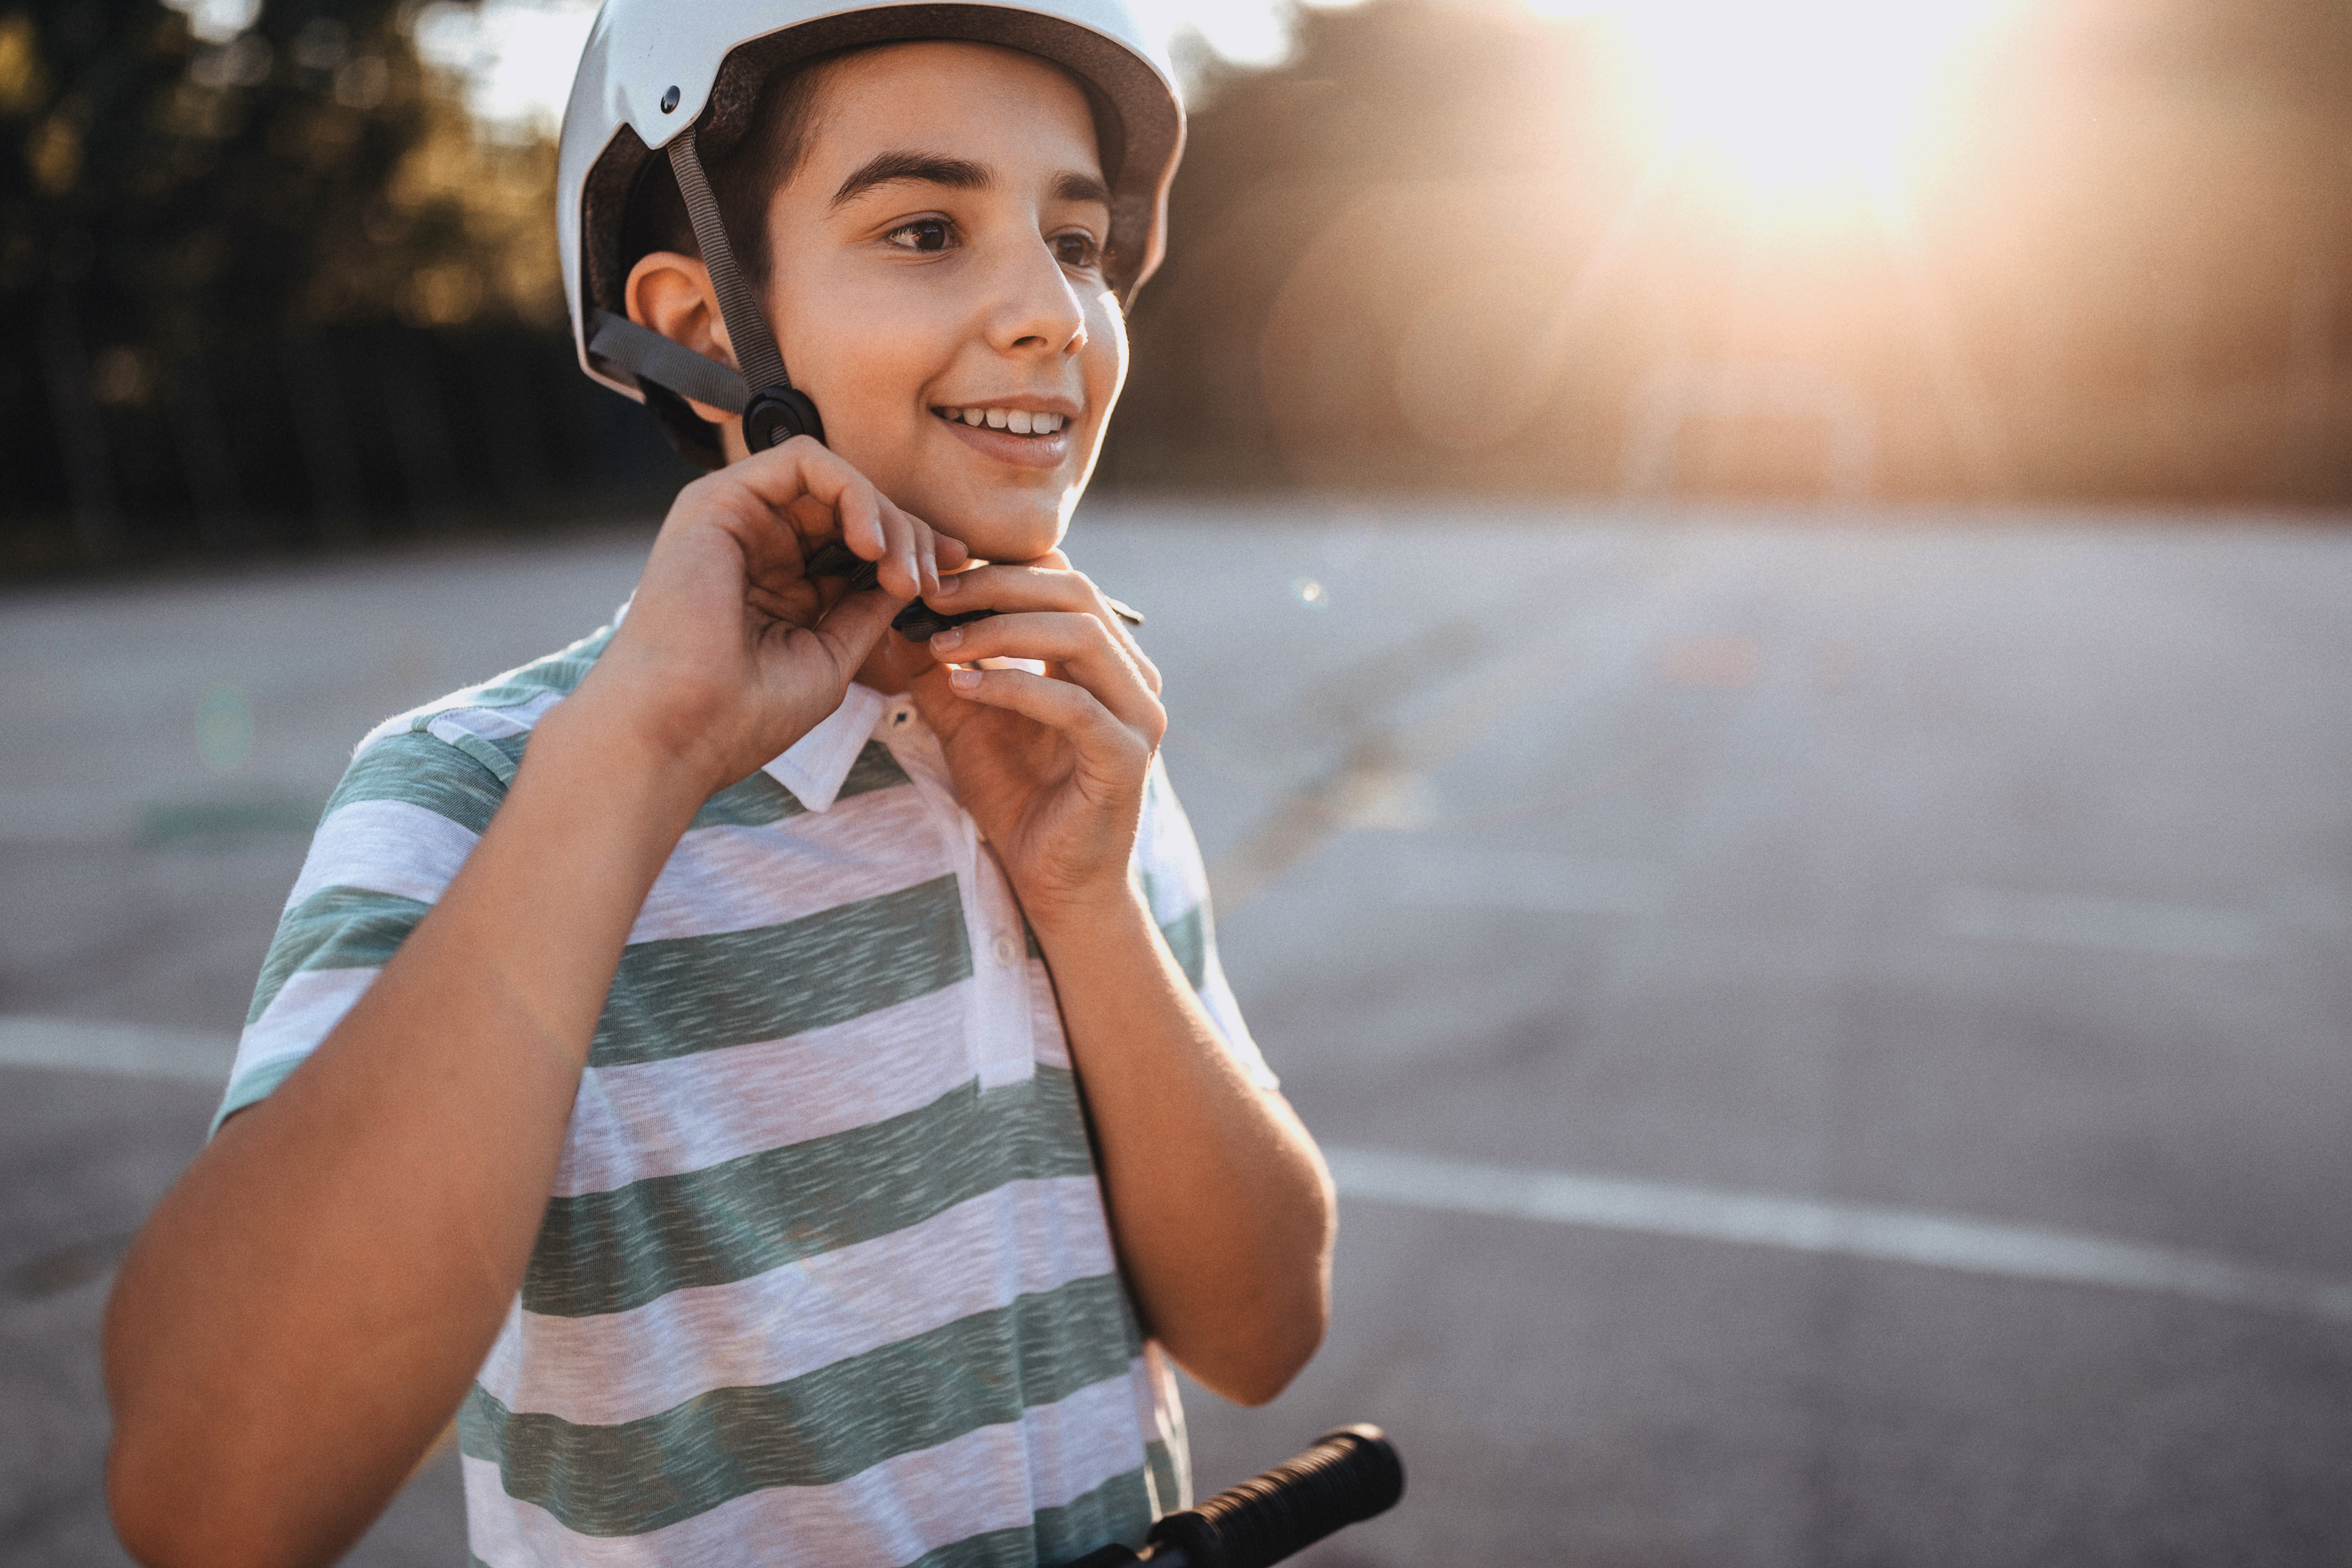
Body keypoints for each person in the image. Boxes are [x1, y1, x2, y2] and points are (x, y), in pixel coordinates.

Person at [99, 2, 1337, 1564]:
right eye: (928, 227)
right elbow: (217, 1493)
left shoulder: (1076, 744)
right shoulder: (479, 792)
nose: (1052, 311)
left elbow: (1263, 1331)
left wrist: (1087, 903)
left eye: (1079, 242)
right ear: (697, 319)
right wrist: (630, 768)